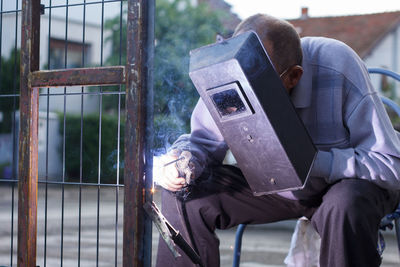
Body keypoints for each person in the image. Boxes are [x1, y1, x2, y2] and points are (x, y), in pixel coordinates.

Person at [155, 14, 400, 267]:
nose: (246, 95)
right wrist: (184, 161)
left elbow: (391, 165)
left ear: (294, 76)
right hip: (273, 190)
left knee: (345, 204)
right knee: (183, 194)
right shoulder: (229, 71)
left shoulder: (337, 63)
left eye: (258, 86)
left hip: (340, 190)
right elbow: (203, 143)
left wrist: (313, 162)